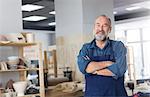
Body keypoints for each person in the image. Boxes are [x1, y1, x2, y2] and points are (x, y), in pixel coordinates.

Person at [77, 15, 128, 97]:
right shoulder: (86, 48)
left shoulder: (118, 46)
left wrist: (94, 70)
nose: (100, 29)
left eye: (105, 25)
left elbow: (119, 69)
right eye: (98, 25)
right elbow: (83, 68)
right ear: (94, 28)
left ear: (110, 29)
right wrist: (108, 63)